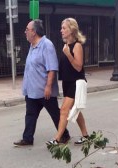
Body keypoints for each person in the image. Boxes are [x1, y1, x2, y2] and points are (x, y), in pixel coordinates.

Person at [13, 19, 69, 147]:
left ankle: (64, 135)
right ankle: (27, 138)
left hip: (44, 91)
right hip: (32, 90)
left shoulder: (46, 45)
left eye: (27, 29)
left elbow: (52, 68)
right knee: (30, 115)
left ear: (34, 32)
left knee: (55, 114)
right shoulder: (32, 46)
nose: (25, 32)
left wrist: (48, 87)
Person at [47, 17, 89, 147]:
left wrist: (68, 54)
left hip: (76, 82)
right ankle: (85, 135)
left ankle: (57, 138)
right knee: (74, 109)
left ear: (71, 30)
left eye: (64, 28)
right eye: (61, 28)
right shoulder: (66, 46)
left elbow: (78, 66)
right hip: (67, 82)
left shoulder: (77, 46)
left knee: (64, 110)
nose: (61, 30)